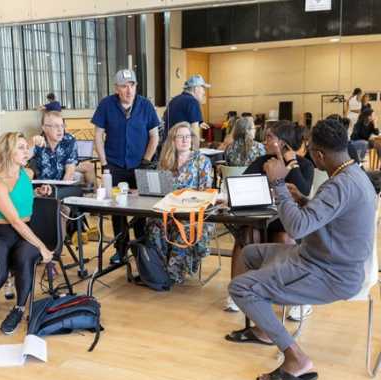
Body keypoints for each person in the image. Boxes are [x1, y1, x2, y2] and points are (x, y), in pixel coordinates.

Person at [226, 118, 376, 380]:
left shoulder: (338, 185)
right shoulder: (354, 175)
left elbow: (296, 226)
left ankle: (296, 358)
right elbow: (329, 214)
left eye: (311, 150)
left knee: (241, 288)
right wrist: (304, 200)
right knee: (250, 254)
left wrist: (280, 186)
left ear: (319, 155)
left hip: (330, 272)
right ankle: (263, 330)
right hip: (319, 257)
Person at [224, 121, 314, 315]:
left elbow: (303, 191)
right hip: (262, 216)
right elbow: (243, 184)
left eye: (269, 137)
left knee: (284, 238)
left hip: (289, 220)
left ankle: (298, 298)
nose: (264, 141)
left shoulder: (304, 165)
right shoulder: (262, 160)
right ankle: (237, 291)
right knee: (246, 237)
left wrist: (291, 162)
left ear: (283, 143)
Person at [0, 132, 53, 334]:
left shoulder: (26, 174)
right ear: (7, 152)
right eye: (20, 148)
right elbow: (14, 221)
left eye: (26, 147)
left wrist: (38, 192)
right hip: (3, 235)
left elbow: (22, 196)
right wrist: (42, 247)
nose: (27, 151)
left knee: (24, 257)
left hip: (24, 236)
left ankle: (19, 309)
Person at [92, 69, 160, 264]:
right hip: (114, 164)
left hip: (140, 164)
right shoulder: (106, 105)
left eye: (132, 85)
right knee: (117, 207)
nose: (129, 90)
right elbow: (98, 135)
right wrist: (104, 164)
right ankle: (120, 249)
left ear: (136, 86)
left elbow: (154, 135)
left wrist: (146, 161)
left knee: (141, 208)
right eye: (124, 86)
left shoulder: (145, 105)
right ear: (117, 89)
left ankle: (141, 249)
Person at [145, 122, 213, 283]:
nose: (185, 140)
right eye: (180, 136)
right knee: (153, 225)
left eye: (187, 136)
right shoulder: (166, 161)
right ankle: (158, 270)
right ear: (173, 140)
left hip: (193, 212)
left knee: (185, 229)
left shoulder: (202, 161)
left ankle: (173, 273)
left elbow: (206, 192)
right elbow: (158, 188)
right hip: (168, 210)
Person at [31, 111, 96, 187]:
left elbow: (70, 173)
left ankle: (96, 195)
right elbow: (21, 160)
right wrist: (30, 143)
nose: (60, 130)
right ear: (44, 128)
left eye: (62, 126)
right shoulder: (38, 141)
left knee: (88, 166)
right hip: (41, 185)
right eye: (55, 126)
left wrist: (60, 192)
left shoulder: (68, 140)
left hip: (62, 176)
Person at [163, 74, 210, 144]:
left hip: (168, 146)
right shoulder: (192, 102)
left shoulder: (174, 100)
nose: (204, 92)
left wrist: (199, 122)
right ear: (196, 88)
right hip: (181, 147)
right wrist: (196, 151)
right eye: (203, 88)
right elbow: (195, 132)